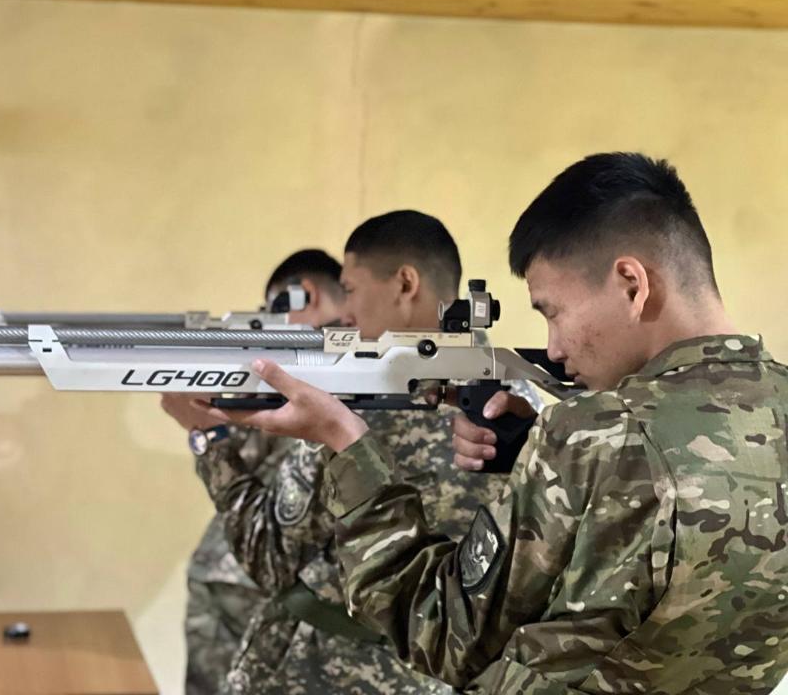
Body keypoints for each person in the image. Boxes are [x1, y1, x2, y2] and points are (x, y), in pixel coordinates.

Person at [211, 154, 788, 694]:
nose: (554, 348)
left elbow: (441, 631)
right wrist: (542, 453)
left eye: (553, 312)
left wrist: (345, 442)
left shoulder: (594, 435)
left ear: (632, 284)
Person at [188, 210, 540, 694]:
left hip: (324, 672)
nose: (345, 311)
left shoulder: (358, 406)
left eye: (350, 289)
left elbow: (269, 555)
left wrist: (207, 438)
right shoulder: (525, 406)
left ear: (405, 283)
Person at [162, 249, 344, 695]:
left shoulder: (327, 370)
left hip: (267, 583)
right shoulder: (315, 366)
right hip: (252, 578)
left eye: (273, 311)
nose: (268, 326)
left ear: (305, 294)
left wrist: (207, 435)